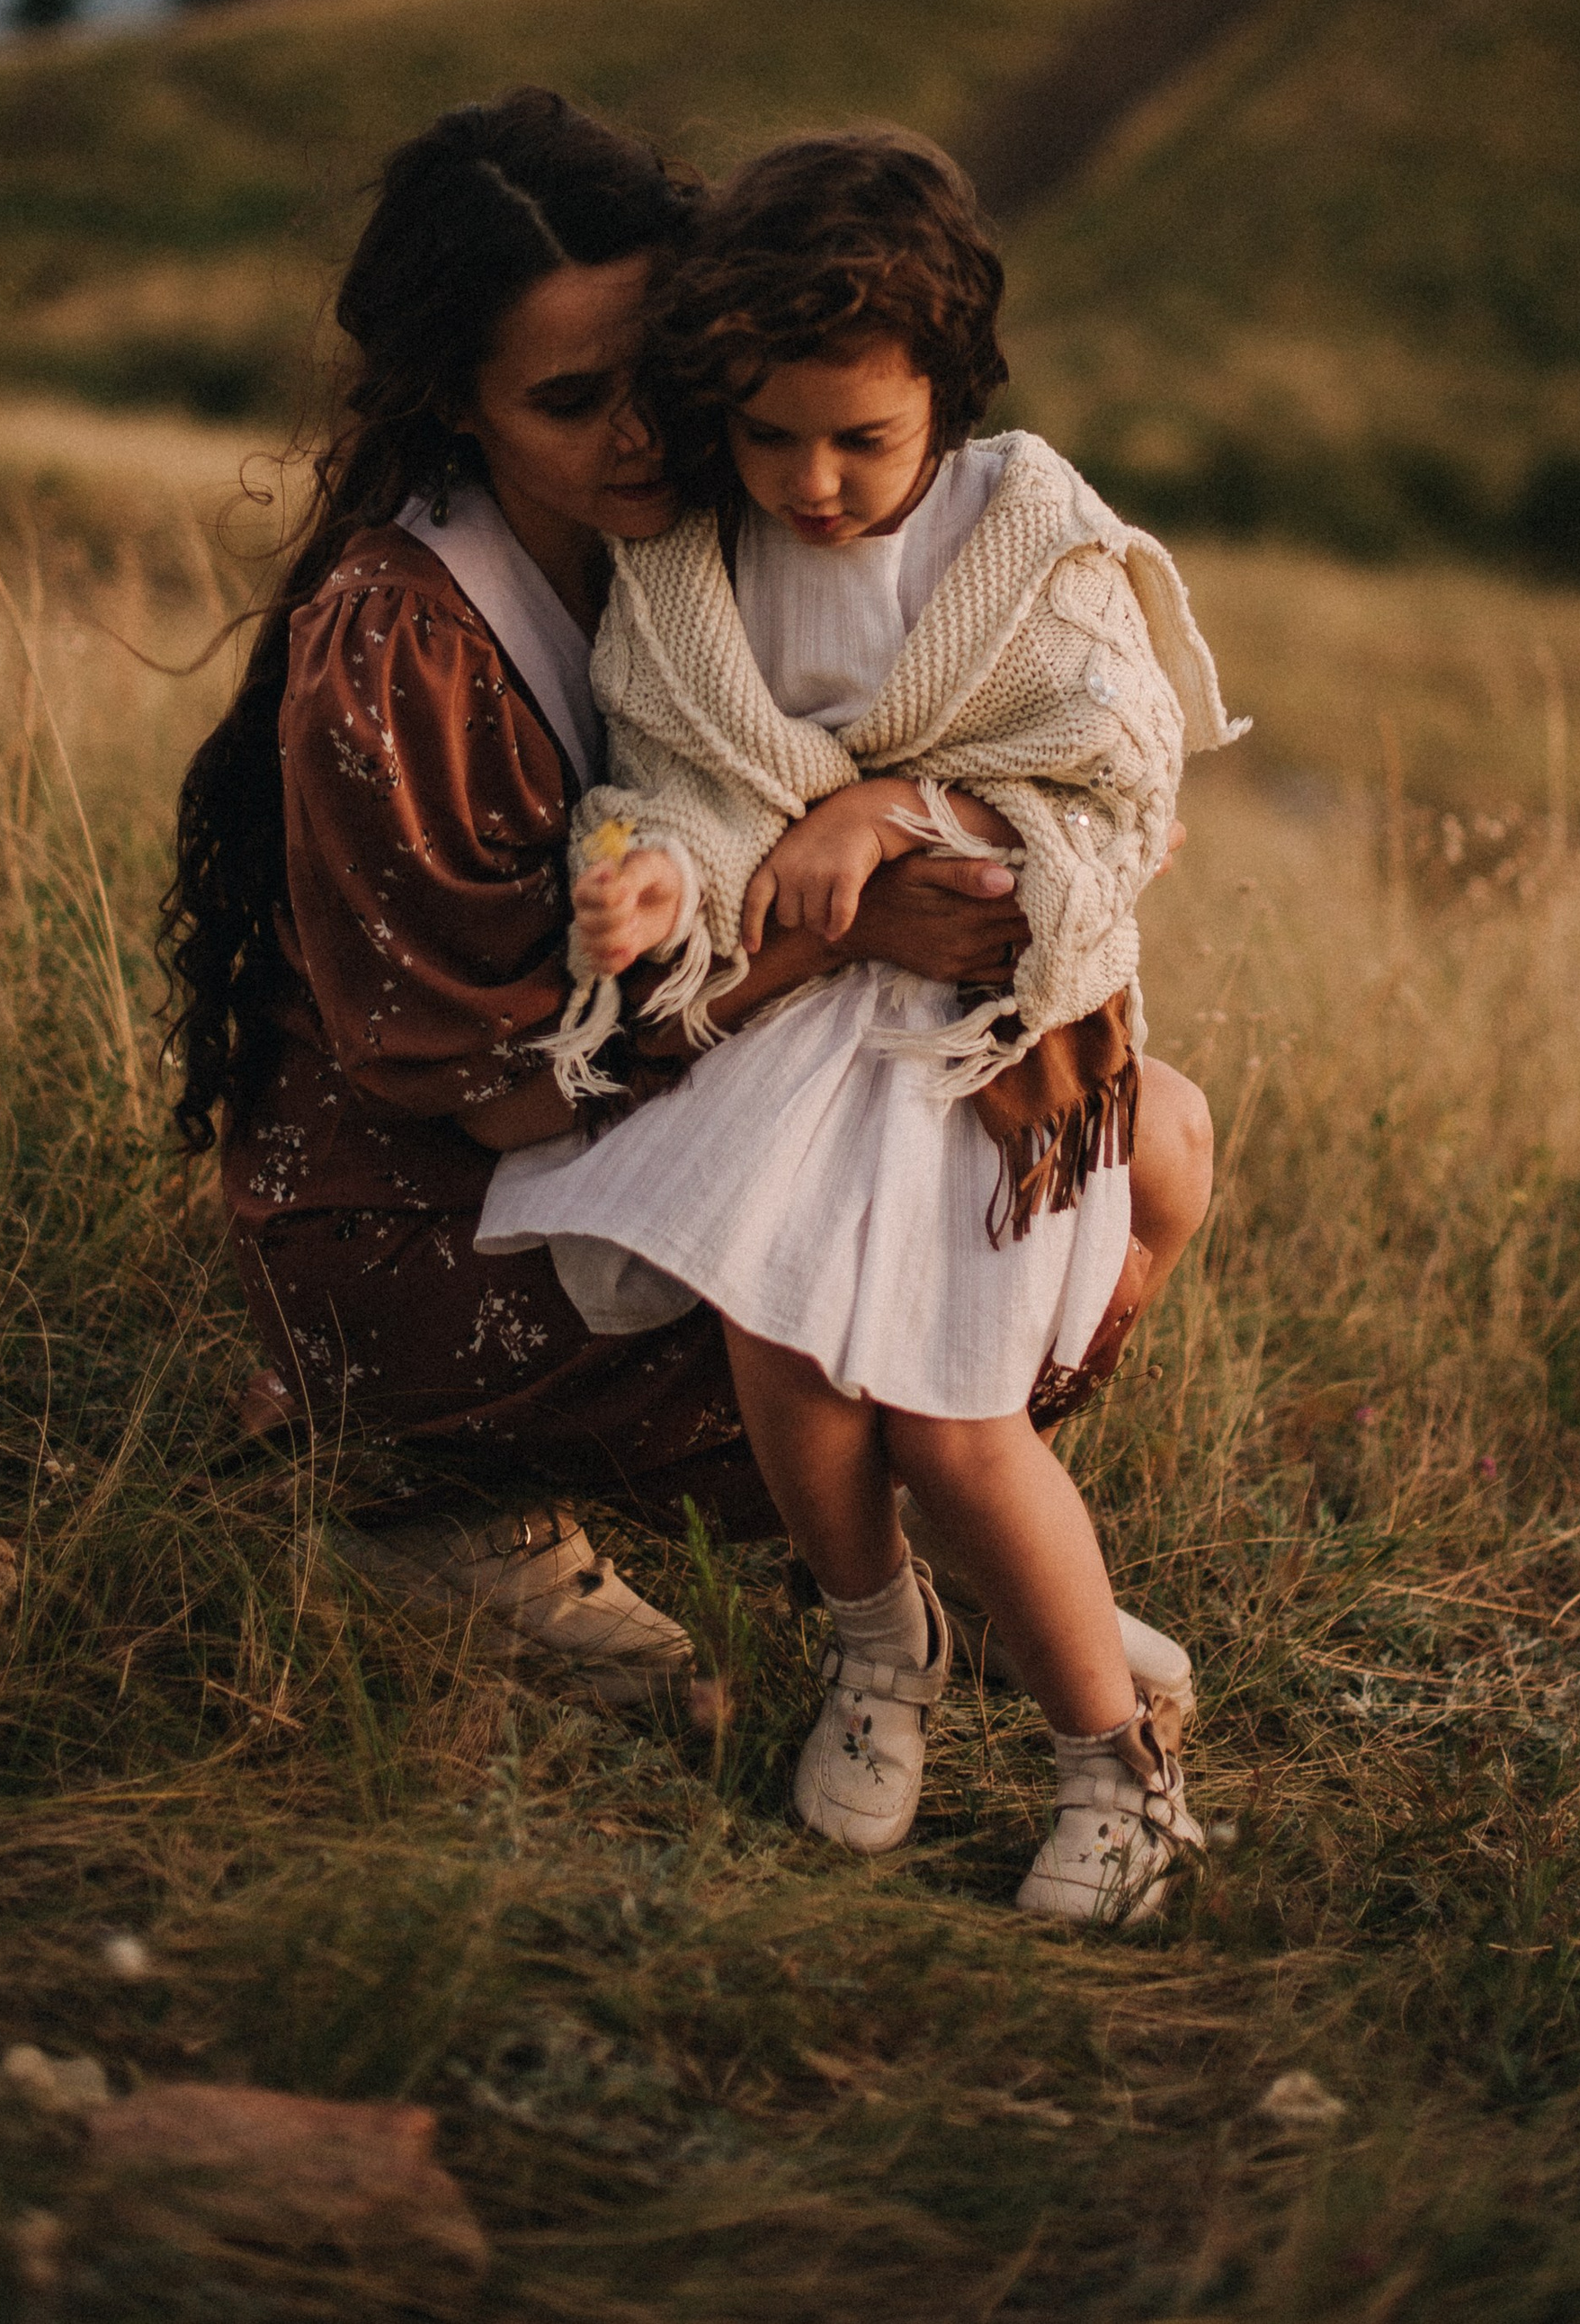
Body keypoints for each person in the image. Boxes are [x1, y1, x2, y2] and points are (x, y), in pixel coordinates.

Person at [161, 91, 1183, 1710]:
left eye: (664, 381)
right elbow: (497, 1093)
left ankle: (956, 1531)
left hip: (661, 1092)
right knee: (883, 1230)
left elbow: (991, 738)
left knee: (1148, 1140)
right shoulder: (400, 639)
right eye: (572, 403)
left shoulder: (727, 533)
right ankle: (430, 1499)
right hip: (429, 1222)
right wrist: (844, 923)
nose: (642, 435)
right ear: (456, 409)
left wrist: (950, 827)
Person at [473, 131, 1236, 1918]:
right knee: (787, 1355)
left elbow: (1117, 797)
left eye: (858, 439)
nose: (809, 481)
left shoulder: (1023, 545)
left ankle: (1117, 1772)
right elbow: (672, 778)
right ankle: (876, 1645)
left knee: (956, 1421)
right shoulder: (691, 567)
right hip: (800, 1040)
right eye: (766, 433)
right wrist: (657, 884)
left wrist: (889, 812)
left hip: (987, 1038)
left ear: (944, 405)